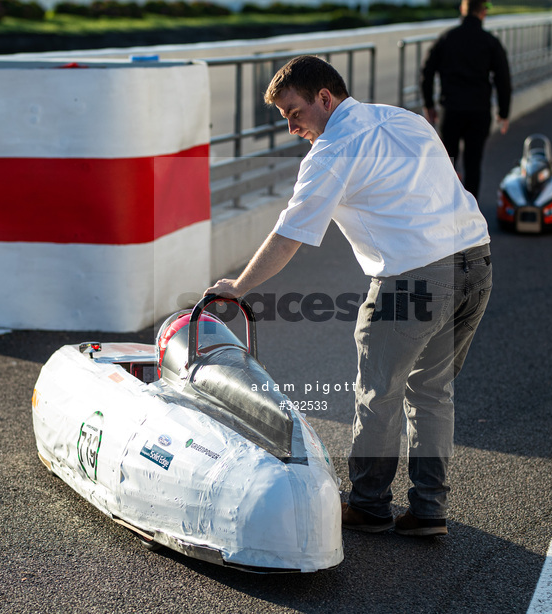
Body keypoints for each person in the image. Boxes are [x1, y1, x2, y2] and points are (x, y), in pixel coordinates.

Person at [205, 55, 492, 537]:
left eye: (294, 113)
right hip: (476, 263)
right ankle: (428, 511)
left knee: (379, 394)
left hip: (413, 280)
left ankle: (369, 505)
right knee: (432, 392)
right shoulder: (404, 119)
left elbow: (289, 234)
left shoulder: (333, 149)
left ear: (325, 97)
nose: (293, 128)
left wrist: (238, 287)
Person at [420, 0, 511, 201]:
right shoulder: (490, 41)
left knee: (447, 163)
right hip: (479, 111)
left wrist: (429, 104)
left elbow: (427, 72)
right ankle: (470, 214)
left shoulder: (447, 38)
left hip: (450, 110)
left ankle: (445, 210)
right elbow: (503, 78)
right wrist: (503, 112)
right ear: (483, 12)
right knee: (473, 163)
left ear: (463, 9)